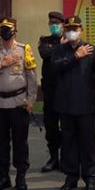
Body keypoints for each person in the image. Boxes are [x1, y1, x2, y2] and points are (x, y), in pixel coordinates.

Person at [0, 18, 37, 190]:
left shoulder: (23, 49)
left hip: (18, 102)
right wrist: (1, 64)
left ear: (14, 32)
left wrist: (31, 99)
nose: (5, 33)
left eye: (8, 30)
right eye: (2, 30)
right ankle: (3, 176)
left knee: (20, 142)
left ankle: (21, 176)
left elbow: (31, 76)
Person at [52, 16, 95, 190]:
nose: (71, 31)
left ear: (81, 29)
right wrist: (76, 56)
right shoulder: (59, 50)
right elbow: (55, 68)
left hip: (85, 104)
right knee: (68, 142)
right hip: (65, 104)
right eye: (68, 28)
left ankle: (90, 177)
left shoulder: (91, 50)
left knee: (87, 142)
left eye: (75, 28)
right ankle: (71, 177)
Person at [37, 11, 65, 172]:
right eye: (51, 23)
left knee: (67, 126)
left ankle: (66, 158)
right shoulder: (44, 41)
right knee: (51, 126)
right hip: (50, 90)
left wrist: (57, 48)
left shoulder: (71, 41)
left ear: (63, 25)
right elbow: (45, 53)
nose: (54, 26)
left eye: (57, 23)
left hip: (66, 90)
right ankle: (54, 158)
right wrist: (61, 46)